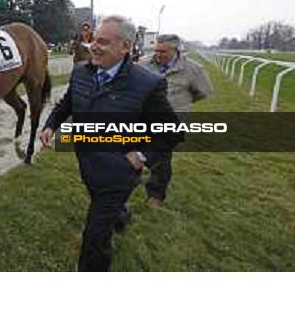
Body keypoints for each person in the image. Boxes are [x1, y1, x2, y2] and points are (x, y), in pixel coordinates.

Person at [39, 15, 181, 272]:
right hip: (87, 164)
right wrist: (50, 124)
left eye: (103, 42)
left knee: (94, 237)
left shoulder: (148, 84)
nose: (93, 45)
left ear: (125, 47)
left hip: (119, 173)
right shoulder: (81, 72)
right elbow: (67, 104)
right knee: (104, 207)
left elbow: (172, 131)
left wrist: (141, 155)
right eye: (94, 39)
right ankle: (121, 215)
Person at [140, 33, 213, 208]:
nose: (158, 55)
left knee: (161, 159)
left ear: (175, 50)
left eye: (163, 52)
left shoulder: (193, 69)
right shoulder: (143, 65)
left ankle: (156, 196)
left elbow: (203, 92)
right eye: (156, 50)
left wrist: (181, 104)